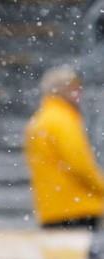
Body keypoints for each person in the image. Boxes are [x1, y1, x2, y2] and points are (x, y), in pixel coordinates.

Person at [24, 65, 104, 231]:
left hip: (51, 210)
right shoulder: (63, 121)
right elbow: (80, 165)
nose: (80, 93)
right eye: (75, 88)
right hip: (77, 209)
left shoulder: (40, 119)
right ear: (62, 90)